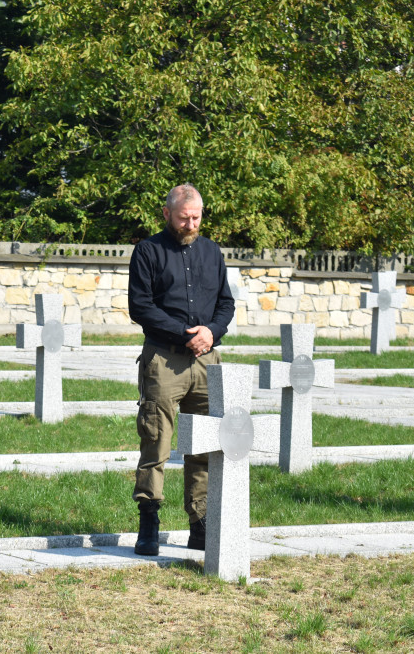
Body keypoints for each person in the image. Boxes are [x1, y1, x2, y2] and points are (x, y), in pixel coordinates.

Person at [127, 183, 235, 556]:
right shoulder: (148, 251)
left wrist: (211, 332)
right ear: (166, 214)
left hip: (207, 360)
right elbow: (140, 306)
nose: (191, 223)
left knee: (205, 445)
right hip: (164, 360)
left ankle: (200, 523)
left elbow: (226, 304)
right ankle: (149, 522)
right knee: (156, 440)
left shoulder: (212, 252)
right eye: (183, 217)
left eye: (196, 217)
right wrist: (184, 333)